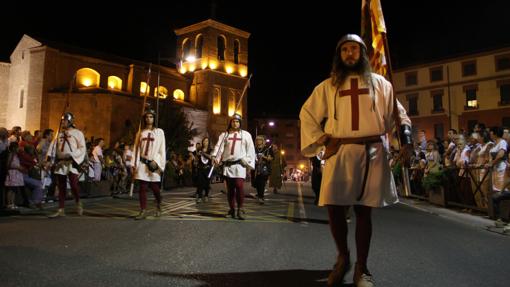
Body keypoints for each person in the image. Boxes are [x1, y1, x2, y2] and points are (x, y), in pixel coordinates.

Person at [299, 34, 412, 287]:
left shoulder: (381, 84)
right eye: (345, 50)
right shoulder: (328, 86)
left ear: (362, 54)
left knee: (363, 211)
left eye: (354, 49)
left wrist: (406, 140)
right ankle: (343, 258)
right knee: (334, 207)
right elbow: (307, 114)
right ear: (339, 56)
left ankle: (362, 268)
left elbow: (400, 116)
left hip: (372, 153)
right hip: (340, 152)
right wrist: (323, 139)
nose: (350, 54)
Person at [212, 113, 255, 220]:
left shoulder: (246, 135)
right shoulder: (224, 135)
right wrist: (215, 158)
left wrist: (247, 162)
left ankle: (240, 209)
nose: (235, 123)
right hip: (228, 166)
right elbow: (219, 148)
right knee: (230, 189)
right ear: (230, 122)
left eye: (237, 121)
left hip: (240, 165)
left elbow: (250, 150)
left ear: (240, 123)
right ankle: (232, 209)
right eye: (233, 121)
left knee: (239, 186)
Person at [46, 112, 87, 218]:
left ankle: (78, 203)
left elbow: (82, 148)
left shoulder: (78, 133)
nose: (63, 122)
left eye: (64, 120)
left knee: (73, 185)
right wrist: (49, 158)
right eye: (62, 121)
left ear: (70, 121)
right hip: (61, 162)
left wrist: (73, 155)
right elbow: (53, 147)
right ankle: (61, 209)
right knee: (61, 186)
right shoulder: (59, 134)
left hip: (72, 162)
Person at [131, 108, 166, 220]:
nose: (148, 118)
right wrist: (133, 163)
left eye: (151, 116)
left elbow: (162, 149)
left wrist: (158, 163)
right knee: (143, 187)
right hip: (142, 162)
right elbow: (136, 149)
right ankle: (143, 210)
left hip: (154, 163)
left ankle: (159, 203)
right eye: (146, 117)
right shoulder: (140, 132)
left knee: (155, 187)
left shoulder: (159, 132)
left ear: (154, 118)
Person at [252, 135, 273, 204]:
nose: (258, 141)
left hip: (264, 168)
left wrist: (263, 156)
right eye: (257, 140)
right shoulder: (253, 149)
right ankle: (259, 195)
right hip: (255, 168)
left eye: (260, 140)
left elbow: (270, 158)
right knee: (256, 183)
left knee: (262, 183)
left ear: (263, 141)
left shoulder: (267, 149)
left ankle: (261, 197)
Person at [196, 137, 213, 203]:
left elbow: (211, 157)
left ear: (208, 142)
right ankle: (200, 197)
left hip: (208, 169)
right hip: (200, 168)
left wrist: (203, 153)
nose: (205, 142)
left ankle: (206, 195)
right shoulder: (199, 149)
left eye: (207, 141)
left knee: (207, 183)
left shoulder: (210, 150)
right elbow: (197, 158)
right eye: (204, 141)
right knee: (200, 183)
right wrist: (197, 156)